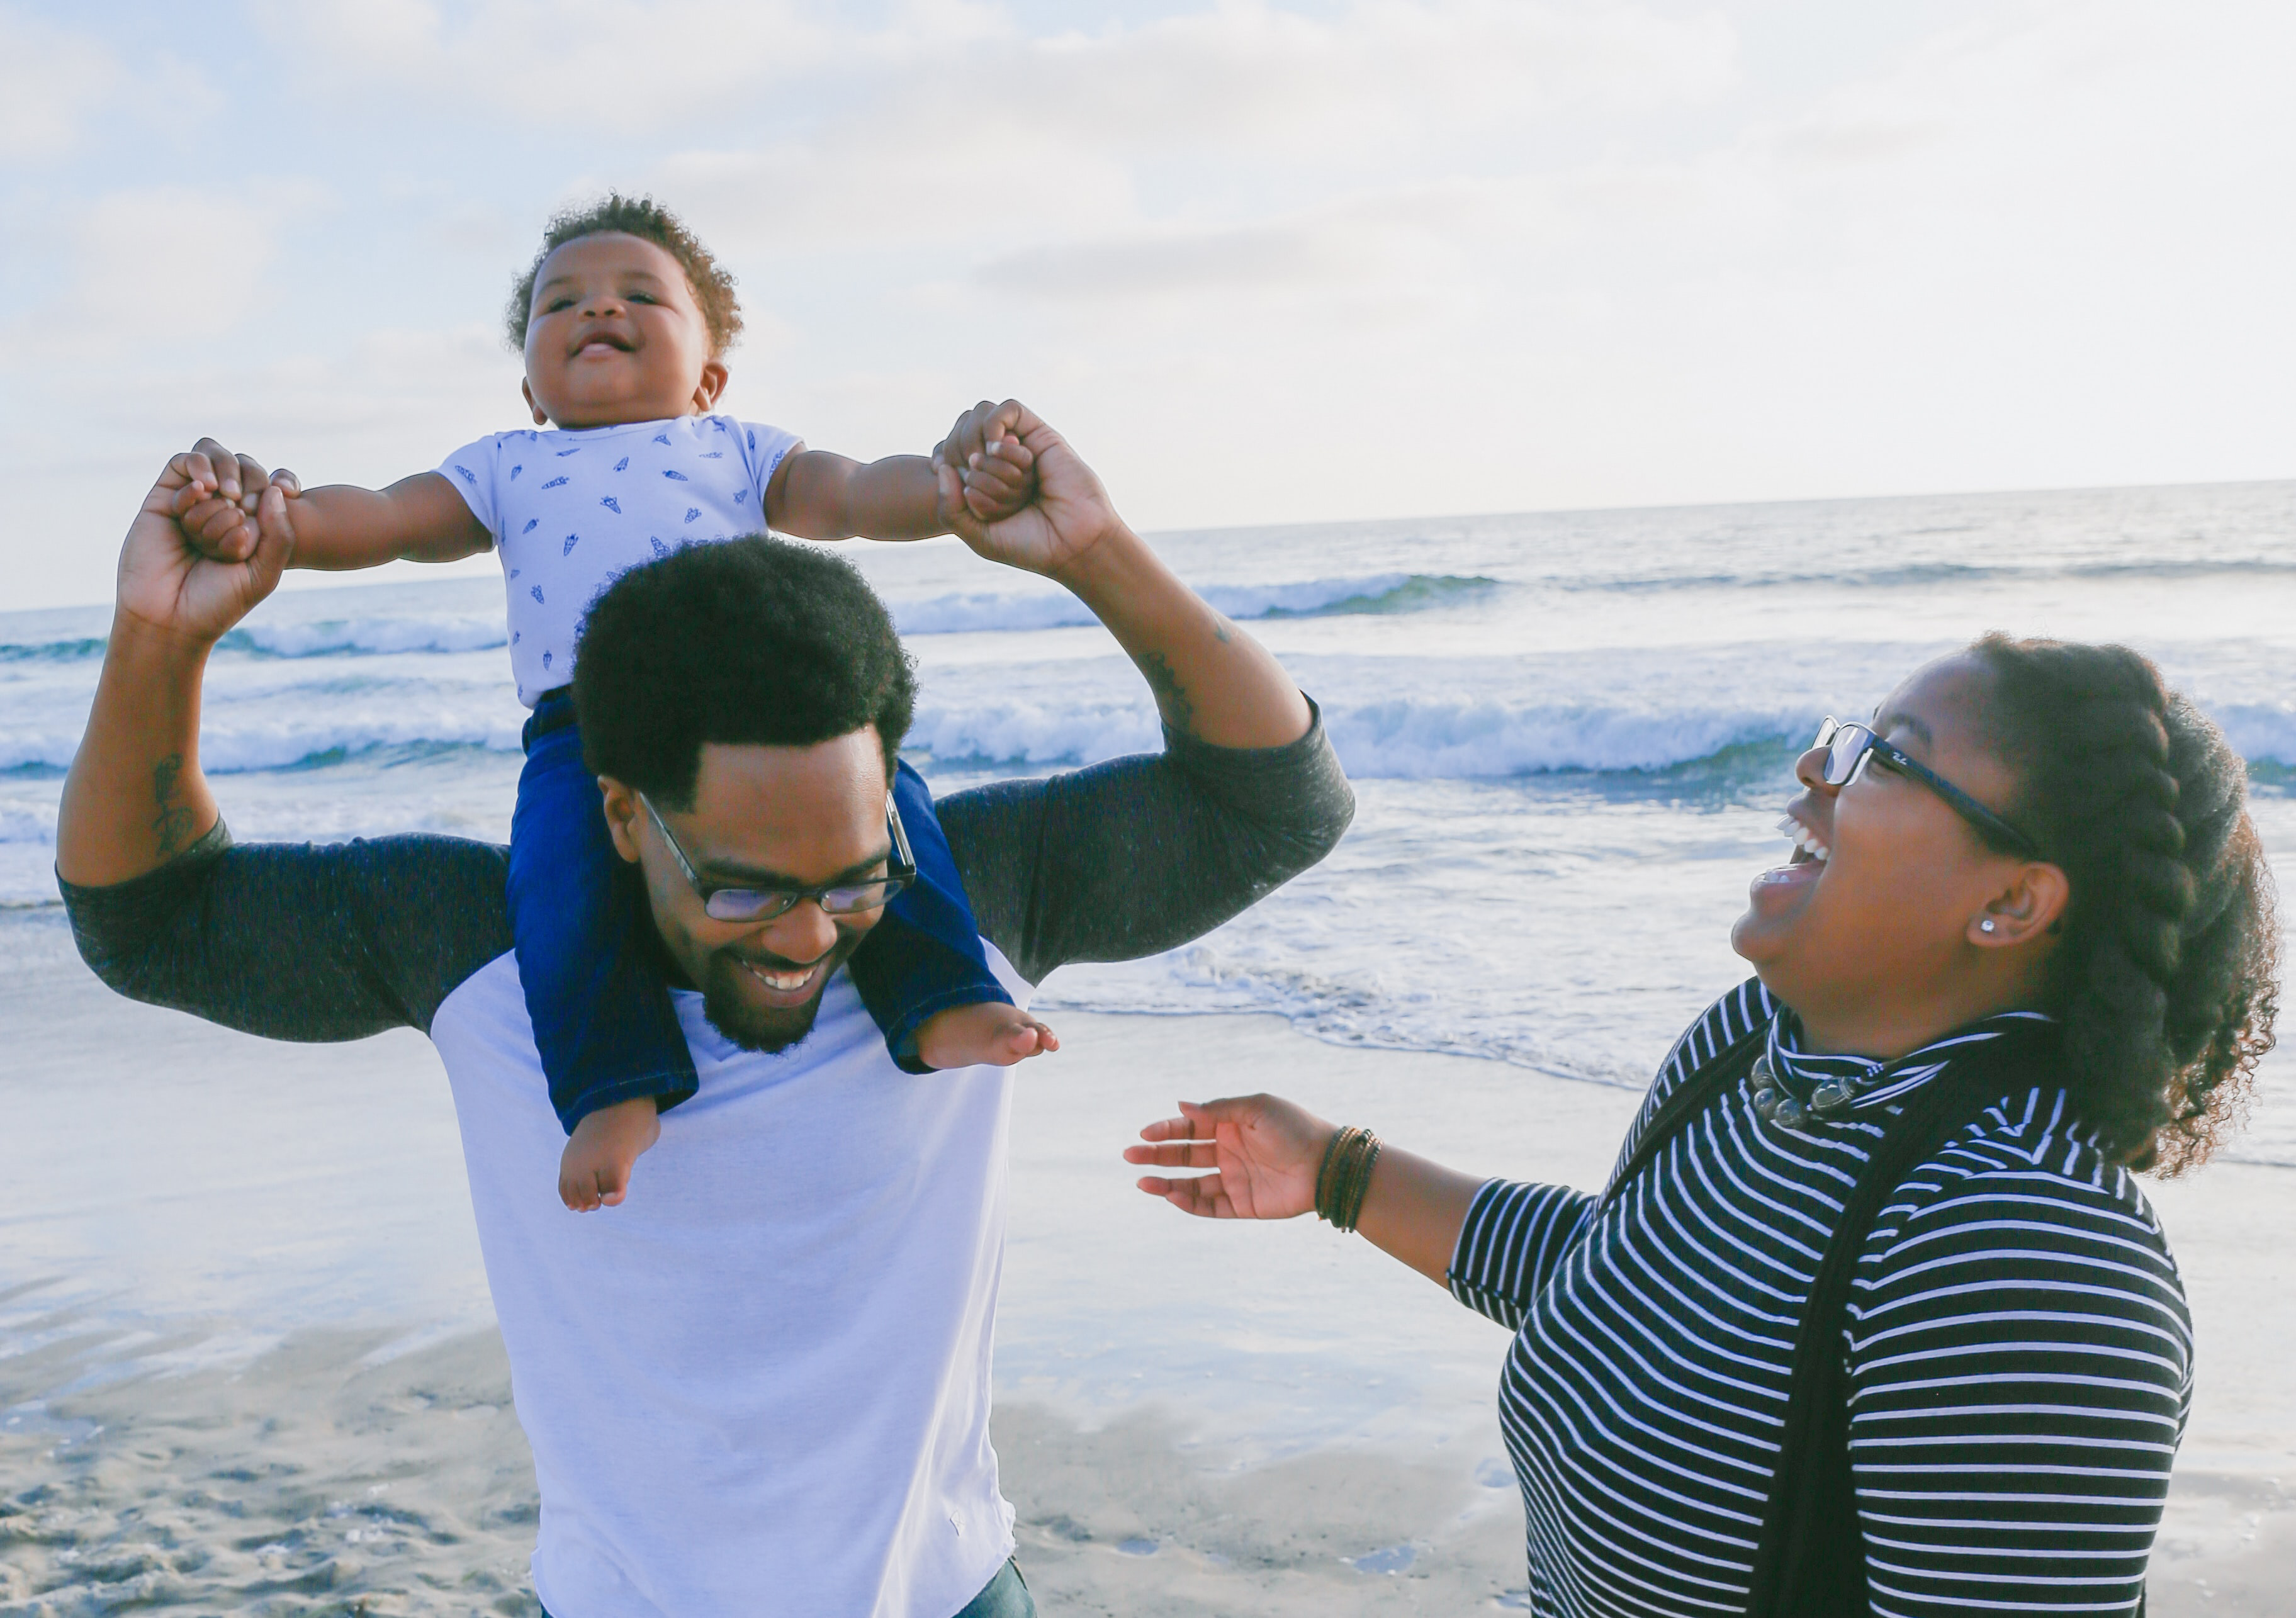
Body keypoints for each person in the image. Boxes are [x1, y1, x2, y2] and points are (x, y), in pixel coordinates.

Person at [59, 400, 1355, 1618]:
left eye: (852, 876)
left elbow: (1280, 801)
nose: (805, 932)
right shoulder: (481, 946)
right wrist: (163, 641)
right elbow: (151, 919)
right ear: (621, 811)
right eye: (741, 888)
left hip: (946, 1591)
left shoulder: (964, 909)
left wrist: (1097, 552)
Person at [1125, 640, 2278, 1616]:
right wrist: (1337, 1172)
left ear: (2013, 903)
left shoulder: (2024, 1256)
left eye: (1886, 758)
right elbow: (1638, 1291)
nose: (1817, 769)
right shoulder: (1757, 1046)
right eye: (1850, 734)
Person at [167, 193, 1053, 1214]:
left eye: (639, 295)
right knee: (556, 885)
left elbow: (853, 493)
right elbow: (385, 519)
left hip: (754, 705)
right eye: (562, 304)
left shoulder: (739, 447)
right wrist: (272, 519)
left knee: (890, 808)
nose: (598, 311)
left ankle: (942, 999)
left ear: (710, 378)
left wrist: (951, 489)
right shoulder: (506, 464)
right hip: (582, 729)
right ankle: (613, 1085)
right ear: (533, 388)